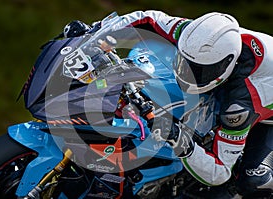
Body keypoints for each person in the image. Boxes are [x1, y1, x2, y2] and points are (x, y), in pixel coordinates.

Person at [63, 11, 273, 197]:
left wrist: (179, 139)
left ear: (226, 64)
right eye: (184, 62)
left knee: (250, 181)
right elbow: (148, 18)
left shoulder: (241, 102)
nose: (188, 73)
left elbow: (219, 171)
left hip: (265, 111)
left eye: (199, 70)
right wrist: (96, 37)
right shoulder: (196, 35)